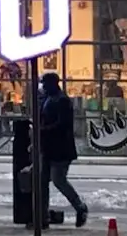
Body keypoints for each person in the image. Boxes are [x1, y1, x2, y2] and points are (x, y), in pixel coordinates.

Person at [39, 72, 88, 228]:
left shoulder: (62, 100)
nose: (43, 87)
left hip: (61, 148)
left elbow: (63, 124)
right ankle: (42, 215)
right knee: (41, 182)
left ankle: (79, 206)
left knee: (58, 180)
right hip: (48, 147)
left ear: (54, 84)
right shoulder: (47, 99)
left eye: (45, 84)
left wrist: (43, 130)